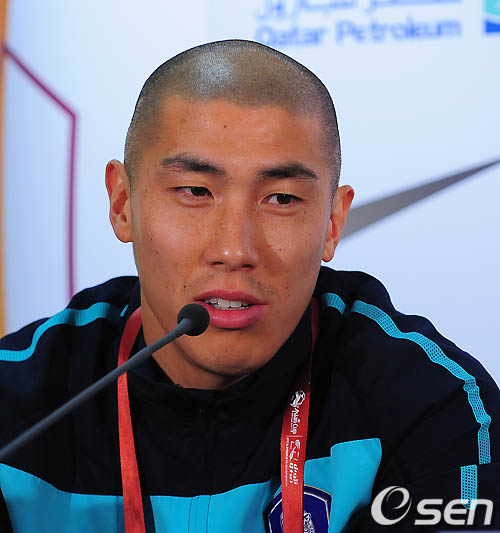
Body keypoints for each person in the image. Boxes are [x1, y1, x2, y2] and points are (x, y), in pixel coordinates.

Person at [0, 39, 498, 532]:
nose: (235, 250)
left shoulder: (434, 403)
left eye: (281, 199)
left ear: (332, 222)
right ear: (122, 203)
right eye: (195, 191)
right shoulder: (15, 400)